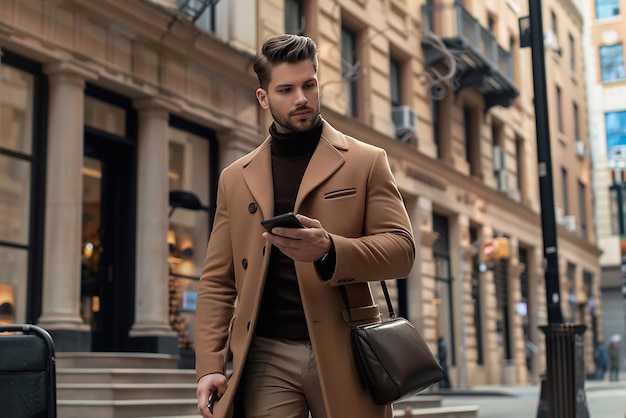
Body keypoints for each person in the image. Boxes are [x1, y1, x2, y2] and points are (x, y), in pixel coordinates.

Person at [194, 34, 416, 418]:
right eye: (286, 89)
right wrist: (210, 365)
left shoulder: (365, 161)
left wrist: (330, 250)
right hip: (265, 354)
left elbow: (401, 251)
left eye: (309, 85)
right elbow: (217, 280)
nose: (301, 98)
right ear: (263, 98)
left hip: (346, 347)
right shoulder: (235, 177)